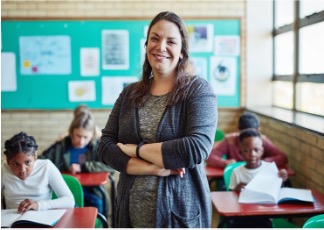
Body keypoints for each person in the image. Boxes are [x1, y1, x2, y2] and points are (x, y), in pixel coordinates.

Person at [97, 11, 217, 228]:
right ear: (146, 45)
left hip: (179, 217)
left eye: (171, 41)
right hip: (129, 216)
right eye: (155, 38)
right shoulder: (129, 94)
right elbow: (105, 147)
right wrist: (151, 168)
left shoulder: (198, 90)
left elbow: (196, 149)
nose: (161, 47)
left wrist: (135, 150)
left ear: (181, 51)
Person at [40, 112, 114, 215]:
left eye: (85, 137)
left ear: (92, 135)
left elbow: (112, 165)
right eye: (78, 136)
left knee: (97, 203)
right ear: (71, 132)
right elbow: (41, 161)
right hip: (63, 190)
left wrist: (84, 167)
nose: (81, 142)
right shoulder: (60, 146)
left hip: (90, 190)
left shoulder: (97, 147)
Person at [228, 128, 288, 228]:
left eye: (256, 150)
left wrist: (282, 179)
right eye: (247, 150)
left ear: (262, 150)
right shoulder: (236, 172)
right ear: (240, 152)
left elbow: (276, 192)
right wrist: (235, 190)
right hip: (241, 216)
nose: (252, 154)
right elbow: (230, 200)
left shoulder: (270, 169)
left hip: (264, 215)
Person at [1, 132, 74, 212]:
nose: (22, 170)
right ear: (8, 161)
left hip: (42, 219)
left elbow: (69, 201)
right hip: (11, 221)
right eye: (15, 164)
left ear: (35, 156)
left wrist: (39, 205)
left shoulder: (46, 167)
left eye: (27, 162)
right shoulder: (3, 169)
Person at [207, 112, 288, 169]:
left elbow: (282, 158)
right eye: (244, 135)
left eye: (253, 134)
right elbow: (210, 157)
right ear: (237, 131)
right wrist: (225, 163)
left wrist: (262, 162)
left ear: (258, 131)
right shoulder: (230, 140)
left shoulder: (262, 140)